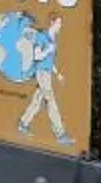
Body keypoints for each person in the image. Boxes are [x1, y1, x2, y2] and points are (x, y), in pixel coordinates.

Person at [16, 14, 76, 147]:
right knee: (51, 101)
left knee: (37, 101)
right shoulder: (42, 37)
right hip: (42, 73)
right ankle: (60, 134)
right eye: (58, 23)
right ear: (52, 22)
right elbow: (37, 56)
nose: (60, 26)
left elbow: (49, 61)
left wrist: (57, 73)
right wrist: (48, 50)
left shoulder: (52, 40)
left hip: (47, 73)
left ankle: (23, 123)